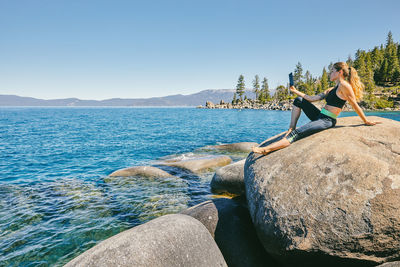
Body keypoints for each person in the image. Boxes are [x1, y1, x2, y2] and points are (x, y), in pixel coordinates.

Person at [252, 62, 381, 155]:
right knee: (299, 101)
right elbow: (312, 98)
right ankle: (291, 126)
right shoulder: (332, 89)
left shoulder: (344, 86)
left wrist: (365, 121)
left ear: (339, 72)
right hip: (319, 116)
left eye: (332, 71)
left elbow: (354, 104)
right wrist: (295, 91)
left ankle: (265, 150)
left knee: (295, 135)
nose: (330, 73)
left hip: (327, 120)